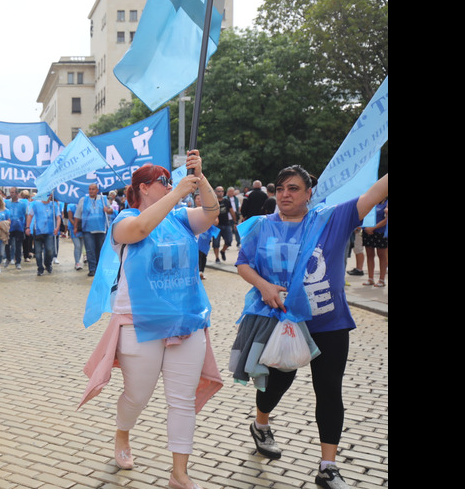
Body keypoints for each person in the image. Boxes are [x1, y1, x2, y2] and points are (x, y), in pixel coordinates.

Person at [234, 166, 388, 489]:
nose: (285, 194)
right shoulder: (263, 227)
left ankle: (327, 467)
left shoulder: (333, 219)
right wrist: (264, 286)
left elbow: (377, 192)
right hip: (281, 321)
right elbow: (243, 263)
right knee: (276, 383)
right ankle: (261, 424)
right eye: (280, 189)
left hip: (329, 324)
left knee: (329, 391)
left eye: (293, 188)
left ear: (309, 193)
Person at [78, 152, 221, 489]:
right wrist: (178, 192)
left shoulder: (181, 217)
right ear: (144, 188)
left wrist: (201, 179)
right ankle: (122, 433)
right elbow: (141, 229)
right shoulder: (123, 220)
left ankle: (179, 474)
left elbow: (212, 213)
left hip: (186, 321)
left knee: (182, 400)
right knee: (137, 395)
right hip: (137, 323)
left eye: (171, 183)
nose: (171, 187)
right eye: (164, 182)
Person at [75, 183, 114, 276]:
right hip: (88, 229)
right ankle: (92, 269)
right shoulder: (83, 200)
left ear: (97, 190)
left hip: (101, 229)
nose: (91, 191)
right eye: (89, 189)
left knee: (100, 250)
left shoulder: (104, 199)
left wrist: (107, 210)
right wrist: (75, 227)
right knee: (90, 249)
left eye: (93, 189)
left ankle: (99, 268)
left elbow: (111, 210)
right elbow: (77, 214)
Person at [26, 192, 59, 276]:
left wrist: (57, 227)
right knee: (38, 251)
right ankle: (40, 268)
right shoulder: (36, 204)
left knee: (50, 250)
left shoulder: (54, 205)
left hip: (50, 231)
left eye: (49, 195)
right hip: (38, 231)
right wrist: (27, 227)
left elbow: (58, 217)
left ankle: (48, 264)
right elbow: (30, 216)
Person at [361, 198, 388, 287]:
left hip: (380, 232)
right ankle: (370, 278)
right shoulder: (372, 200)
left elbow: (386, 220)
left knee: (381, 255)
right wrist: (366, 228)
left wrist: (373, 228)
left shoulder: (386, 202)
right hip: (367, 230)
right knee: (369, 254)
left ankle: (382, 279)